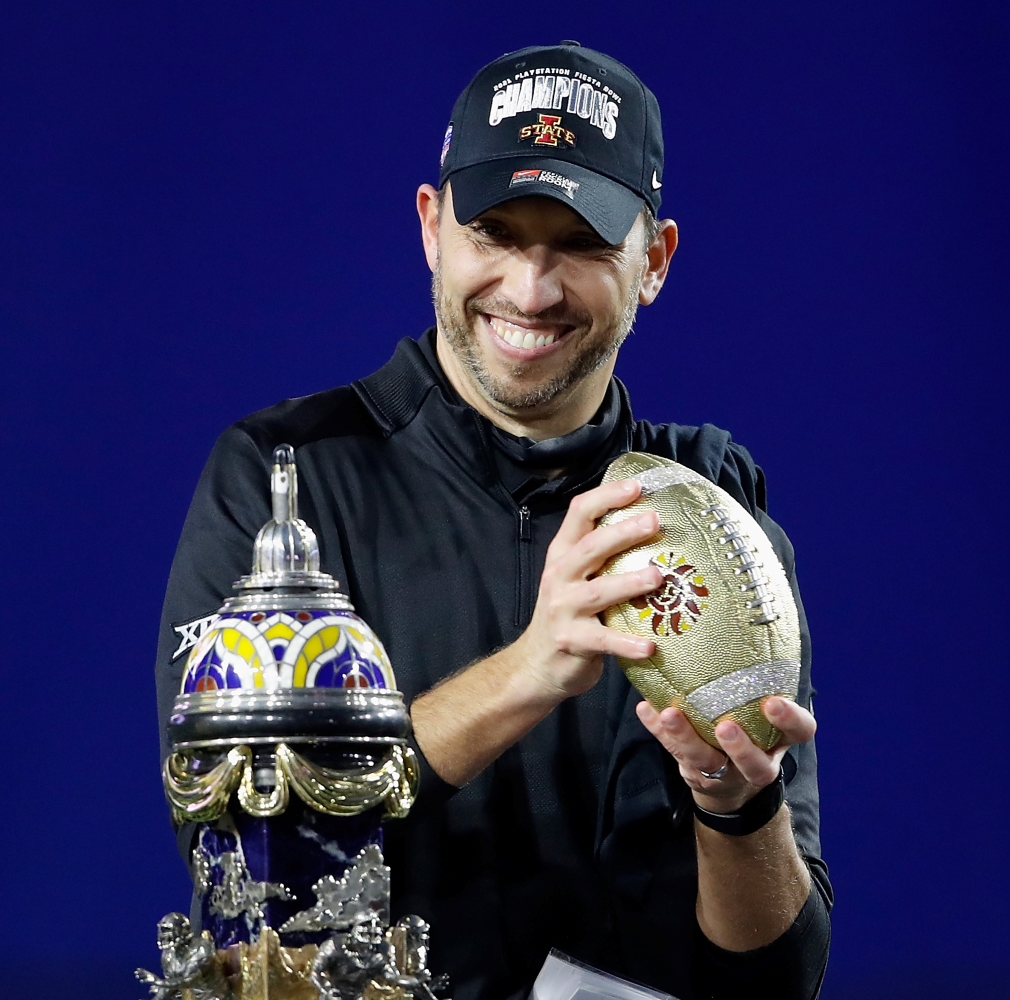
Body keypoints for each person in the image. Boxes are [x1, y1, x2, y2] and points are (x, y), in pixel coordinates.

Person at [155, 42, 830, 1000]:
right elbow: (241, 865)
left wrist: (737, 805)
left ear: (655, 262)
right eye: (497, 234)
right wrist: (528, 670)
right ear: (433, 229)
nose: (531, 288)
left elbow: (778, 979)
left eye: (583, 245)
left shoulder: (710, 515)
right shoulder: (286, 482)